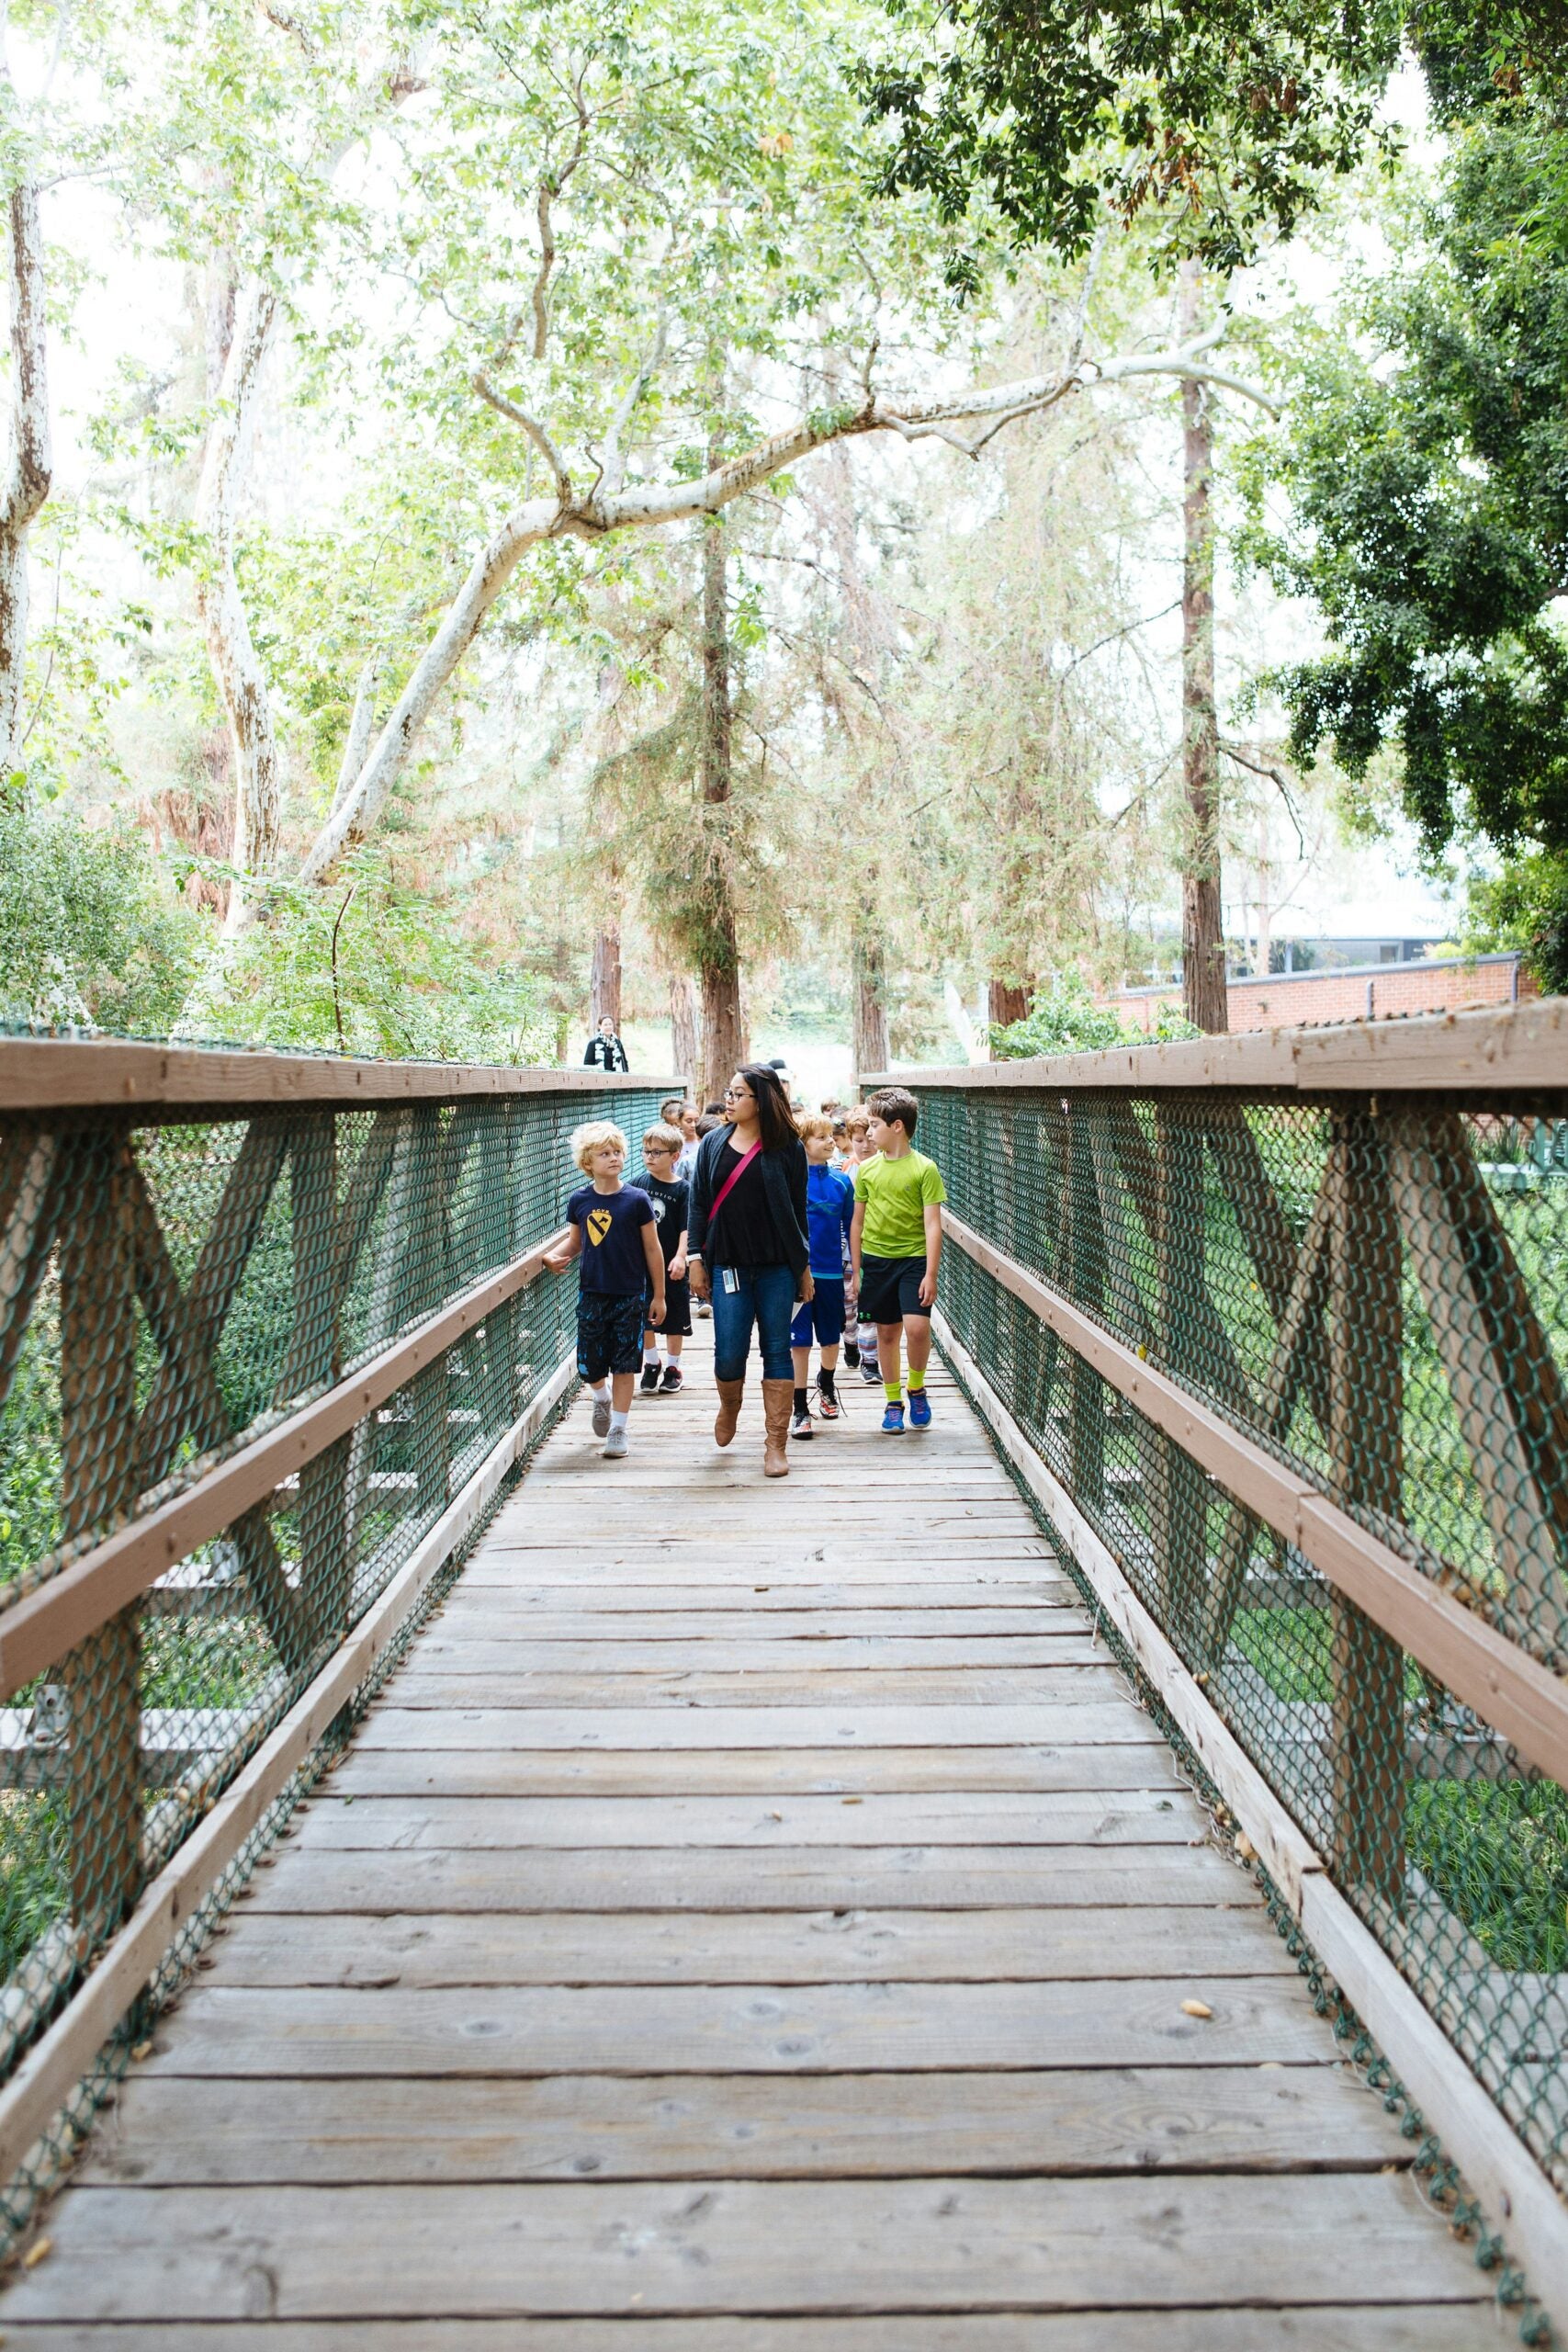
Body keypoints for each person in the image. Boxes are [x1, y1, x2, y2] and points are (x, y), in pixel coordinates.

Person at [686, 1063, 811, 1477]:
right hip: (727, 1265)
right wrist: (695, 1259)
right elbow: (698, 1204)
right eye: (729, 1092)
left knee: (777, 1349)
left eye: (739, 1094)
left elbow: (798, 1212)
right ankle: (730, 1404)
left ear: (762, 1100)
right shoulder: (713, 1143)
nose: (730, 1100)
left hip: (776, 1266)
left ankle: (776, 1444)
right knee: (728, 1352)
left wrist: (803, 1267)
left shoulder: (787, 1147)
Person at [545, 1121, 666, 1459]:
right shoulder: (579, 1200)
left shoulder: (637, 1199)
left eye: (617, 1152)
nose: (613, 1158)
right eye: (604, 1154)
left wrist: (659, 1295)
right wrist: (551, 1258)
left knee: (624, 1364)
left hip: (630, 1292)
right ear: (588, 1162)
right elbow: (576, 1242)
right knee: (590, 1365)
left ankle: (618, 1429)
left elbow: (653, 1249)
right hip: (592, 1291)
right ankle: (601, 1396)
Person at [851, 1085, 947, 1435]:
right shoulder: (867, 1170)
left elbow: (933, 1224)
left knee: (918, 1328)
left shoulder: (925, 1169)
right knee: (886, 1333)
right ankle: (893, 1402)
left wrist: (931, 1273)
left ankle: (917, 1387)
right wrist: (858, 1268)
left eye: (874, 1125)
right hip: (877, 1261)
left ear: (897, 1127)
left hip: (914, 1260)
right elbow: (857, 1222)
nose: (869, 1133)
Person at [789, 1114, 855, 1439]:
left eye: (831, 1136)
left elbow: (853, 1228)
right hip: (798, 1276)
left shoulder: (842, 1182)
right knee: (798, 1342)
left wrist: (856, 1271)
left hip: (831, 1274)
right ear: (802, 1144)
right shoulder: (791, 1182)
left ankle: (826, 1382)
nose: (830, 1141)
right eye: (820, 1137)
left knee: (831, 1338)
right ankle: (799, 1408)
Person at [630, 1122, 691, 1393]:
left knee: (675, 1314)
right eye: (646, 1151)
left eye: (657, 1152)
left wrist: (681, 1257)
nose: (650, 1157)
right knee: (645, 1314)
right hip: (641, 1264)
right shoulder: (636, 1185)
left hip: (671, 1264)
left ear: (674, 1156)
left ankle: (673, 1367)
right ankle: (652, 1363)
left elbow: (686, 1227)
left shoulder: (683, 1190)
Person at [842, 1107, 880, 1381]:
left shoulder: (885, 1167)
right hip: (845, 1252)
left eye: (870, 1138)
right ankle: (850, 1341)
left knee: (869, 1307)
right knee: (848, 1308)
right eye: (858, 1140)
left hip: (875, 1249)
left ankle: (871, 1361)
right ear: (849, 1140)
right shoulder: (844, 1172)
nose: (865, 1146)